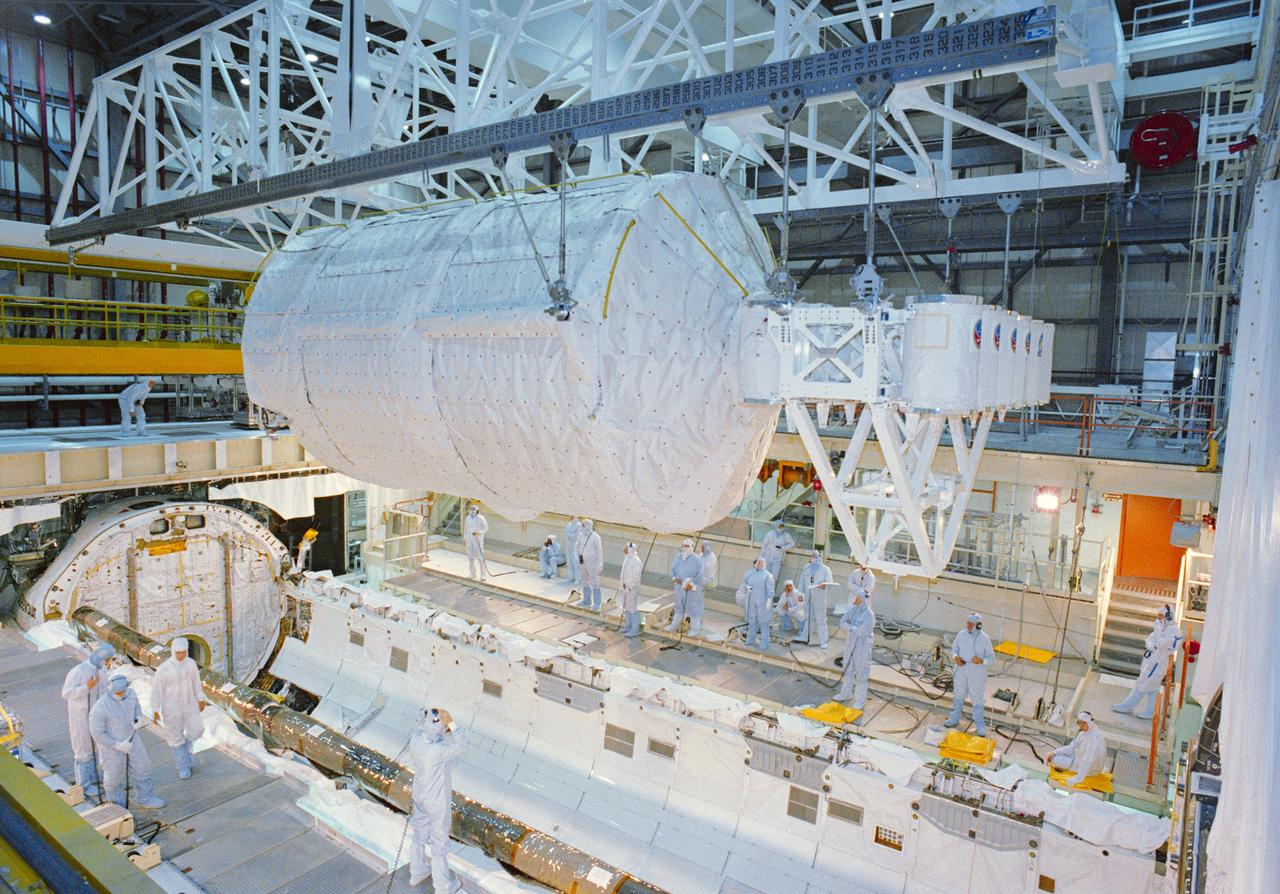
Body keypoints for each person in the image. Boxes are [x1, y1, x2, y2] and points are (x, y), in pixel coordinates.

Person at [407, 707, 464, 892]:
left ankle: (417, 872)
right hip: (436, 802)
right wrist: (451, 722)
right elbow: (462, 745)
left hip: (419, 797)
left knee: (419, 835)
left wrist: (431, 718)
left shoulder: (416, 739)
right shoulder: (438, 750)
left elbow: (422, 727)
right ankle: (443, 887)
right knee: (439, 844)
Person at [89, 675, 165, 809]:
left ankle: (145, 798)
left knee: (143, 767)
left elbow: (136, 708)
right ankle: (116, 805)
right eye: (118, 693)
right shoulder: (100, 707)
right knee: (114, 776)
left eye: (123, 691)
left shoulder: (131, 694)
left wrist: (138, 718)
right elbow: (97, 733)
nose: (122, 694)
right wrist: (116, 744)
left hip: (132, 739)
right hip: (111, 747)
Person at [61, 643, 115, 798]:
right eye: (108, 659)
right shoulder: (77, 671)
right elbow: (66, 693)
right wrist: (86, 687)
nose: (109, 662)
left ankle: (92, 779)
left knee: (95, 747)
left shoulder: (102, 670)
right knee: (83, 750)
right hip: (81, 717)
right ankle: (84, 785)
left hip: (96, 715)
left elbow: (104, 689)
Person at [1113, 606, 1183, 719]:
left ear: (1169, 616)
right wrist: (1153, 641)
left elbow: (1160, 644)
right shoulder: (1162, 627)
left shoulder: (1174, 632)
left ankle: (1127, 706)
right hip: (1151, 661)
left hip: (1157, 665)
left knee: (1142, 684)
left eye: (1161, 616)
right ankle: (1152, 712)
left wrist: (1157, 631)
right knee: (1152, 689)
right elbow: (1150, 640)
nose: (1158, 618)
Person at [151, 637, 205, 780]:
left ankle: (186, 751)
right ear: (173, 652)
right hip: (171, 707)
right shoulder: (164, 669)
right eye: (178, 653)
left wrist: (200, 698)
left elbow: (196, 683)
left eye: (184, 652)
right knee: (175, 737)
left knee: (197, 729)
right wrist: (155, 709)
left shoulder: (191, 664)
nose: (181, 656)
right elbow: (157, 690)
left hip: (189, 704)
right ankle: (183, 766)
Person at [945, 612, 996, 736]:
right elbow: (954, 649)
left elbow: (991, 659)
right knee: (958, 694)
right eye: (967, 623)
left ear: (978, 625)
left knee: (977, 698)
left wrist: (981, 661)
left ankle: (979, 724)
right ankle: (954, 717)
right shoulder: (961, 635)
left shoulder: (984, 638)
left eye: (971, 624)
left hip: (976, 672)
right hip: (961, 669)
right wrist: (956, 657)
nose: (968, 626)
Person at [834, 588, 875, 708]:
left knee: (861, 674)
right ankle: (846, 693)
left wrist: (850, 627)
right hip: (850, 644)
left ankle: (859, 701)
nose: (855, 600)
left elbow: (862, 632)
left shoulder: (869, 615)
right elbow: (842, 622)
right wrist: (853, 628)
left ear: (863, 600)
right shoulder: (852, 609)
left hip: (862, 647)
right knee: (848, 670)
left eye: (857, 598)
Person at [1047, 711, 1109, 786]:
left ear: (1090, 722)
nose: (1081, 725)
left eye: (1084, 723)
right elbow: (1071, 747)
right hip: (1080, 758)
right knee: (1053, 756)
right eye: (1079, 722)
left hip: (1090, 769)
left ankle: (1073, 765)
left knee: (1055, 760)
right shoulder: (1083, 733)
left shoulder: (1094, 738)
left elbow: (1088, 759)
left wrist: (1078, 778)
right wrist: (1054, 752)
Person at [664, 540, 703, 634]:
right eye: (684, 545)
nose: (685, 547)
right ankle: (674, 625)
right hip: (678, 586)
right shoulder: (678, 557)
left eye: (687, 546)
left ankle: (695, 629)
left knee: (693, 608)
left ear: (692, 547)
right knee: (678, 607)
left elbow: (700, 574)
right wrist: (674, 578)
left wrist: (692, 584)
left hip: (690, 588)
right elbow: (673, 569)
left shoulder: (696, 559)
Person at [740, 558, 775, 651]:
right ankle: (751, 638)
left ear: (765, 564)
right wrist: (747, 586)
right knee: (752, 619)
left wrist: (769, 600)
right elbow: (744, 582)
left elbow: (770, 590)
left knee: (764, 621)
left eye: (761, 563)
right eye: (758, 562)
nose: (759, 564)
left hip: (762, 601)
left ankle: (765, 641)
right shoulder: (750, 573)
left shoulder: (768, 575)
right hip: (752, 600)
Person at [800, 551, 834, 648]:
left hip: (819, 598)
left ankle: (824, 641)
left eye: (815, 556)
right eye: (812, 556)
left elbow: (830, 583)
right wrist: (800, 593)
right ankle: (805, 637)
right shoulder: (806, 567)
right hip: (808, 596)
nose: (813, 558)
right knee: (809, 618)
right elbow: (802, 581)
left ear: (820, 557)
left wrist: (823, 585)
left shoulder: (825, 569)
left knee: (821, 620)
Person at [758, 521, 795, 592]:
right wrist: (761, 556)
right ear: (776, 527)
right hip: (767, 557)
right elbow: (764, 545)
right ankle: (762, 591)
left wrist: (784, 547)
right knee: (764, 575)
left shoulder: (785, 535)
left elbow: (792, 544)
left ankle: (771, 593)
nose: (781, 528)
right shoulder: (770, 533)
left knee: (774, 576)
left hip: (777, 559)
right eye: (780, 526)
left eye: (782, 526)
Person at [575, 519, 604, 610]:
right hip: (582, 561)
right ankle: (586, 600)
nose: (582, 527)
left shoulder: (595, 536)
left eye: (583, 525)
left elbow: (599, 551)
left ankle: (597, 603)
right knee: (585, 581)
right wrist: (577, 556)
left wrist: (600, 564)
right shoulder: (580, 535)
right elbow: (577, 546)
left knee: (594, 581)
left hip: (592, 561)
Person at [619, 543, 643, 637]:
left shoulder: (636, 561)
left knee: (632, 608)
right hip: (625, 587)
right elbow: (623, 574)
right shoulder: (627, 559)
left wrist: (629, 587)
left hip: (632, 589)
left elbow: (636, 577)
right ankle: (628, 626)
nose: (624, 549)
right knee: (627, 607)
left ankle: (635, 629)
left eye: (626, 548)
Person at [463, 504, 488, 579]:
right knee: (470, 558)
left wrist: (479, 532)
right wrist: (465, 539)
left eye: (474, 510)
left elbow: (486, 528)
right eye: (471, 510)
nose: (472, 511)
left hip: (477, 540)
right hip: (469, 540)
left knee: (480, 558)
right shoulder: (467, 518)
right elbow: (465, 529)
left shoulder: (480, 518)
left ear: (477, 511)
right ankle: (472, 573)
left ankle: (483, 575)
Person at [563, 517, 583, 587]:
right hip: (569, 545)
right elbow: (565, 531)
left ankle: (578, 578)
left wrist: (571, 535)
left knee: (576, 563)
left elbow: (579, 535)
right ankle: (570, 577)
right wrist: (568, 534)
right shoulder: (569, 524)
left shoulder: (579, 525)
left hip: (575, 546)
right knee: (569, 562)